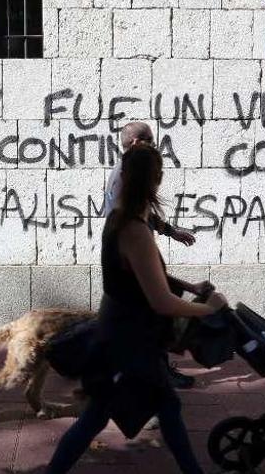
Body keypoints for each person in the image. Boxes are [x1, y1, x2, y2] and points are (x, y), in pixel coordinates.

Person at [46, 145, 228, 474]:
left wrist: (188, 288)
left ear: (124, 176)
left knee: (118, 413)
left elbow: (142, 276)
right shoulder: (135, 230)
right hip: (129, 342)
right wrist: (207, 309)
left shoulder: (121, 218)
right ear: (156, 180)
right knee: (107, 415)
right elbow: (159, 300)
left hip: (120, 334)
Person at [105, 122, 199, 389]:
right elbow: (162, 299)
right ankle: (156, 373)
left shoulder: (125, 175)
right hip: (132, 257)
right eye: (149, 140)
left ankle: (150, 371)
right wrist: (206, 308)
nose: (154, 145)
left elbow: (142, 212)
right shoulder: (127, 179)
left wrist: (171, 231)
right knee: (153, 319)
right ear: (136, 143)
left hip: (130, 258)